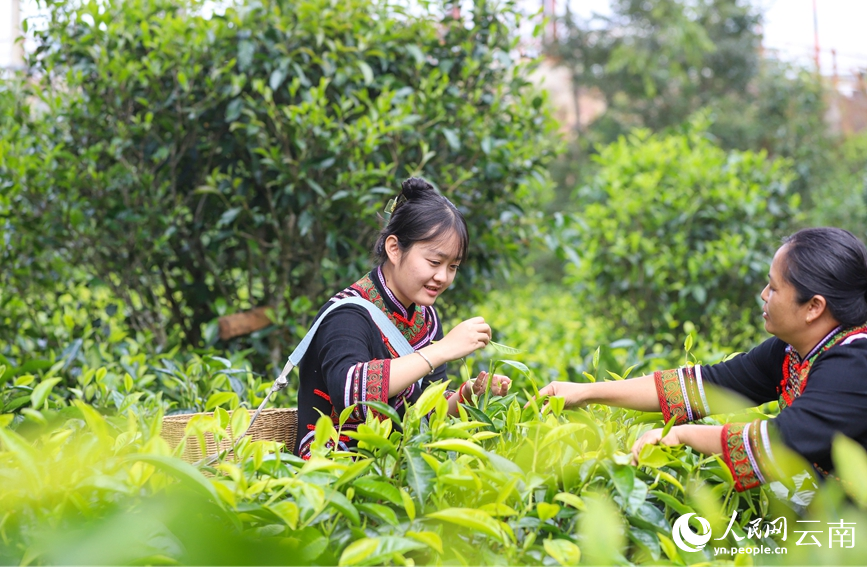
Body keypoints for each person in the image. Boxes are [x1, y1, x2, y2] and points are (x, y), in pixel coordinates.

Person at [536, 227, 867, 492]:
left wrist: (682, 436)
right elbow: (705, 385)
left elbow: (782, 441)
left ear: (814, 307)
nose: (764, 295)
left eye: (775, 287)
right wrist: (586, 391)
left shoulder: (855, 363)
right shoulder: (791, 350)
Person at [296, 177, 510, 458]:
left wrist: (467, 394)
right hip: (333, 471)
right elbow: (352, 394)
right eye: (434, 262)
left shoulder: (426, 319)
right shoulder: (348, 314)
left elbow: (427, 413)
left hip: (397, 465)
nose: (443, 277)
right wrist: (443, 350)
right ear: (394, 248)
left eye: (453, 266)